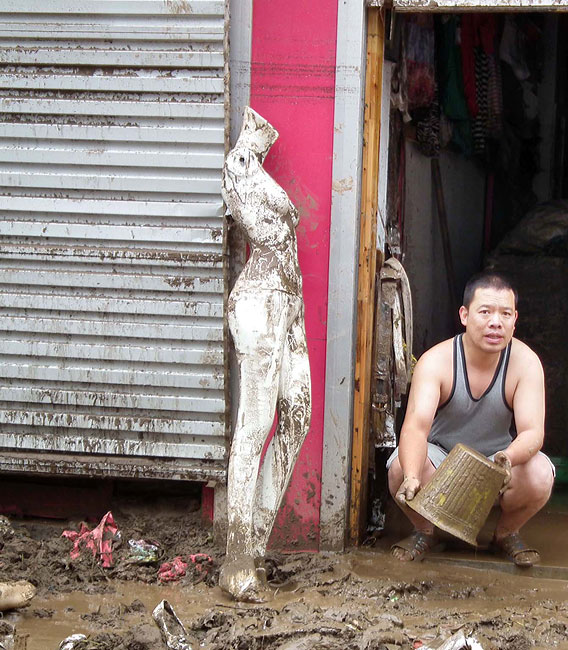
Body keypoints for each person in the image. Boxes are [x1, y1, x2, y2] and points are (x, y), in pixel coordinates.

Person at [387, 272, 554, 567]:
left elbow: (532, 432)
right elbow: (415, 427)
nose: (496, 322)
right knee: (402, 467)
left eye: (505, 314)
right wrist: (413, 476)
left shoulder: (525, 363)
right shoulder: (436, 360)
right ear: (464, 315)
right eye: (485, 312)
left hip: (497, 461)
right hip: (441, 460)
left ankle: (506, 534)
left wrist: (507, 458)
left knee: (540, 473)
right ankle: (425, 531)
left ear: (515, 320)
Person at [219, 107, 312, 601]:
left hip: (290, 301)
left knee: (298, 416)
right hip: (261, 298)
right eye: (259, 132)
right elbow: (258, 225)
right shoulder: (239, 167)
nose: (265, 135)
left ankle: (255, 542)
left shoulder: (254, 172)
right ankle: (236, 561)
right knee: (254, 427)